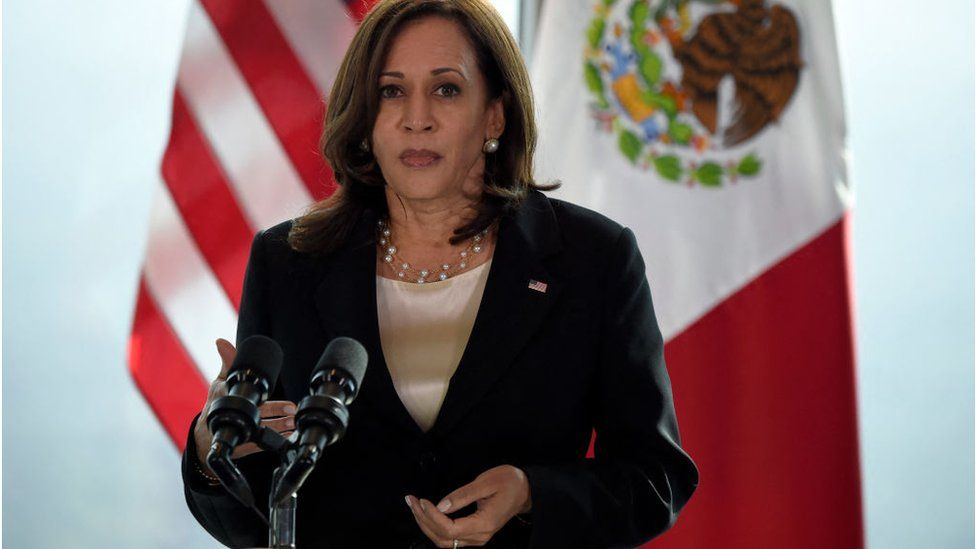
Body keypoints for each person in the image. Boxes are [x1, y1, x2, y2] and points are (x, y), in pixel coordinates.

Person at [181, 1, 699, 547]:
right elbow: (256, 522)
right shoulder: (288, 261)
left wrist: (532, 493)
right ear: (366, 116)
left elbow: (655, 478)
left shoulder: (592, 259)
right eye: (391, 91)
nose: (416, 117)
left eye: (446, 89)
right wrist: (211, 453)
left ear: (495, 114)